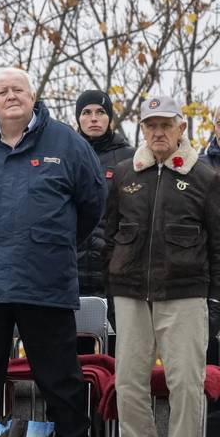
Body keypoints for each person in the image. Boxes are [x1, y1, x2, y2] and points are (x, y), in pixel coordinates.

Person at [0, 68, 107, 437]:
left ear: (33, 96)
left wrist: (52, 242)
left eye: (18, 89)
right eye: (2, 91)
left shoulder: (68, 143)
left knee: (61, 380)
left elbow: (92, 204)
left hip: (45, 282)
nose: (11, 96)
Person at [102, 95, 220, 437]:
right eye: (150, 125)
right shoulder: (125, 174)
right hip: (131, 292)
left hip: (186, 292)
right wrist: (113, 285)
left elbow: (218, 245)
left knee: (185, 380)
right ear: (142, 129)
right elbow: (109, 234)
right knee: (128, 380)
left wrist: (214, 300)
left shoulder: (205, 177)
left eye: (165, 124)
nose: (157, 132)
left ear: (181, 128)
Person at [75, 89, 136, 299]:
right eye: (86, 112)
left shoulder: (130, 158)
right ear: (78, 118)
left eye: (100, 112)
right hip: (70, 268)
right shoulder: (65, 154)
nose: (94, 118)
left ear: (109, 117)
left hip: (114, 268)